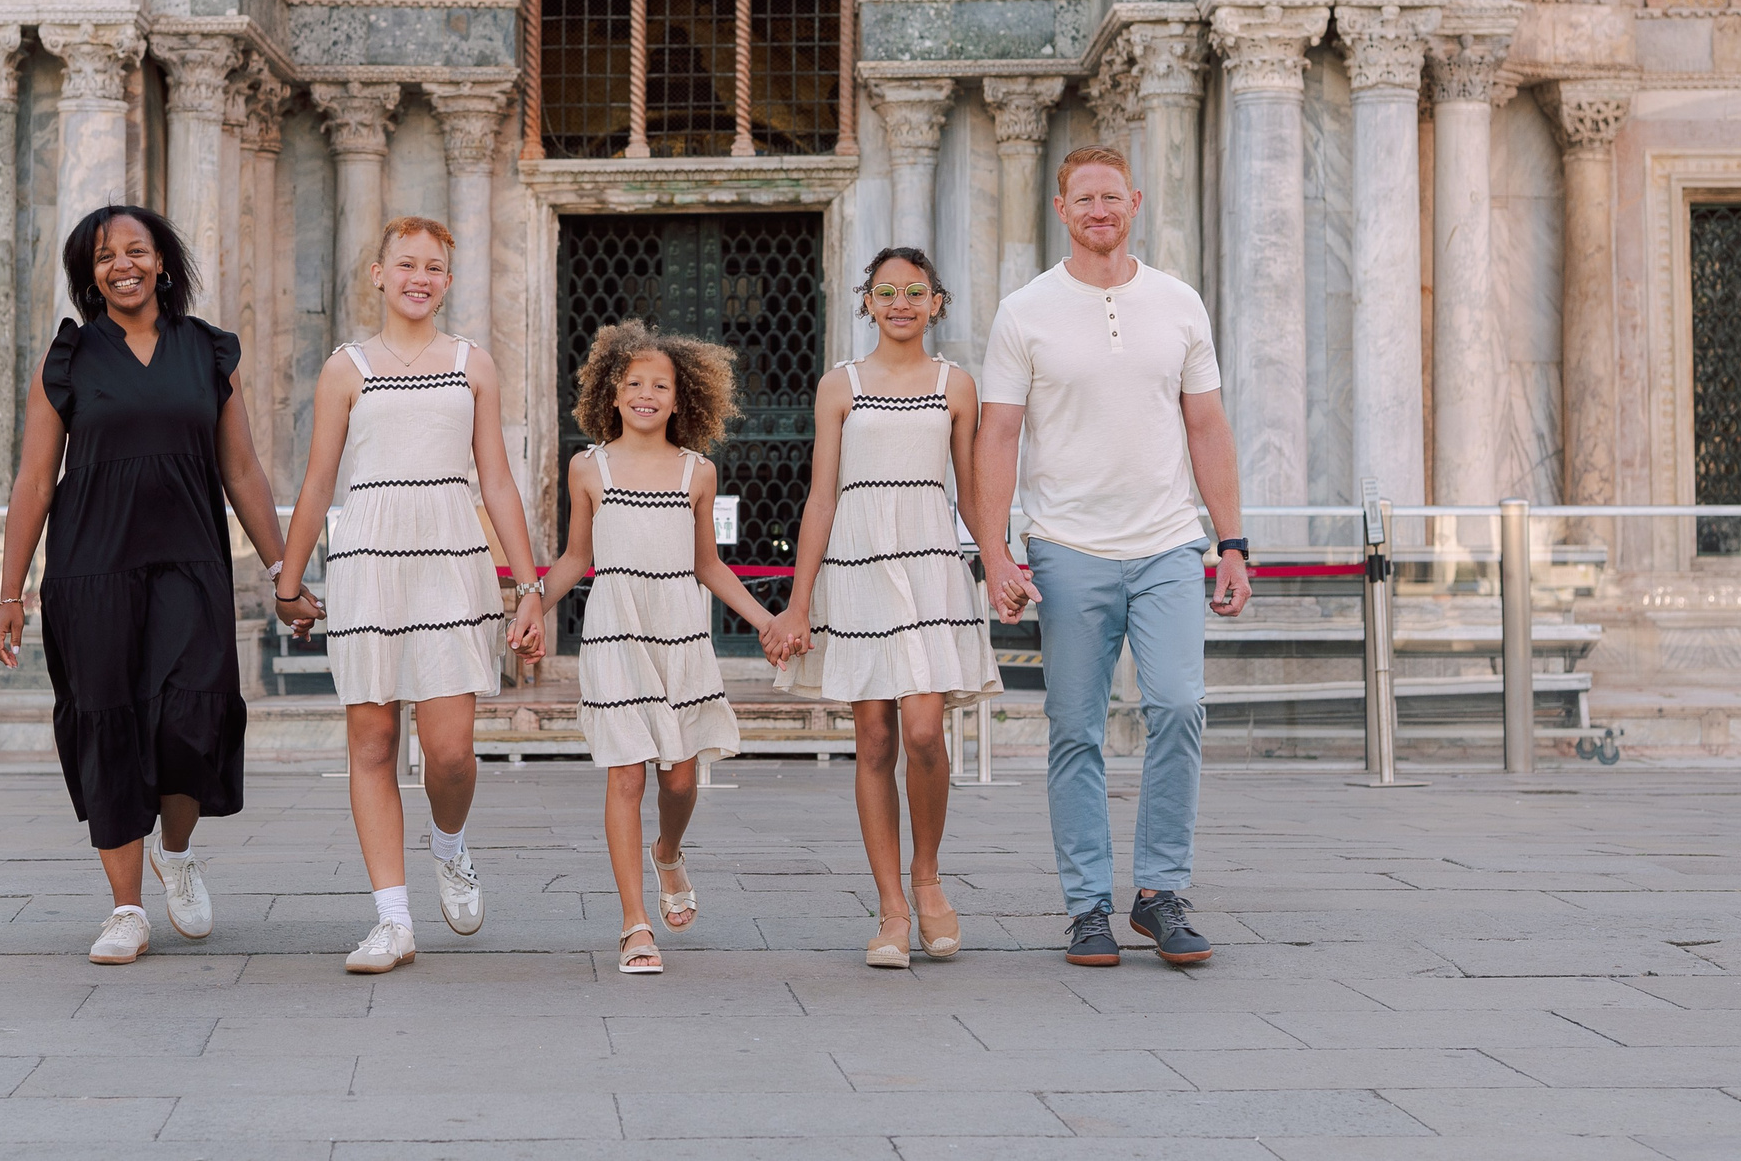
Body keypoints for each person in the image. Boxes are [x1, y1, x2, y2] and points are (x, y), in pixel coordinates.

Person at [968, 147, 1254, 970]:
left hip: (1168, 543)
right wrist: (996, 551)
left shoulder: (1178, 303)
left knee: (1179, 706)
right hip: (1067, 547)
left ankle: (1159, 892)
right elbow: (998, 434)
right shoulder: (1025, 310)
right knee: (1074, 729)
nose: (1100, 209)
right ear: (1061, 208)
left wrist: (1232, 542)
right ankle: (1088, 905)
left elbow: (1207, 425)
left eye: (1112, 196)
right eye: (1084, 198)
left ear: (1136, 201)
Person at [0, 207, 288, 966]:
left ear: (161, 262)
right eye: (103, 256)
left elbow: (242, 469)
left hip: (190, 561)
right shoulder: (69, 358)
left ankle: (175, 852)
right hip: (92, 569)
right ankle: (126, 909)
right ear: (89, 275)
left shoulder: (209, 351)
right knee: (109, 724)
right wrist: (10, 593)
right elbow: (34, 481)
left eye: (135, 251)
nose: (121, 265)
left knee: (193, 712)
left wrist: (282, 571)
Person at [275, 216, 542, 974]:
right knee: (372, 742)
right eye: (406, 264)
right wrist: (288, 581)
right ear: (379, 273)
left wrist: (529, 586)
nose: (418, 277)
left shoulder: (472, 363)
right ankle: (392, 920)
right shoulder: (346, 367)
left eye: (432, 267)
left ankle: (449, 842)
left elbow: (497, 480)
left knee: (450, 753)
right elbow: (318, 481)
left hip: (452, 559)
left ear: (447, 282)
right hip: (368, 558)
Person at [507, 321, 795, 974]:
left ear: (680, 396)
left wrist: (766, 621)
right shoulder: (589, 467)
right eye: (633, 382)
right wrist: (531, 603)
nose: (646, 393)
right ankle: (634, 923)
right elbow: (575, 557)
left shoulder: (698, 471)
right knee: (627, 772)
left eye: (660, 385)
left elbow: (709, 565)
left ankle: (667, 850)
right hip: (615, 630)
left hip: (680, 632)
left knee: (681, 777)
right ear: (611, 392)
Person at [778, 247, 999, 968]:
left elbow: (970, 491)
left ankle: (927, 879)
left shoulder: (955, 385)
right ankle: (892, 908)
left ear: (937, 301)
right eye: (885, 291)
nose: (900, 303)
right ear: (867, 302)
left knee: (925, 731)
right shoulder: (838, 385)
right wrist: (799, 602)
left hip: (931, 564)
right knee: (874, 737)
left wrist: (998, 562)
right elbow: (821, 497)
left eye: (913, 291)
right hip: (857, 565)